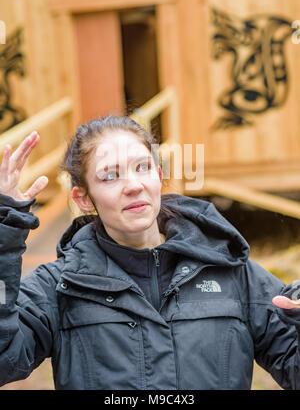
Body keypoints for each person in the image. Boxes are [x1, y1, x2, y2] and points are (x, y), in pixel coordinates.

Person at [0, 115, 300, 391]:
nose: (133, 185)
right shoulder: (60, 285)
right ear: (84, 198)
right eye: (110, 176)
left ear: (158, 176)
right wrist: (3, 238)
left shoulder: (230, 269)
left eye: (142, 168)